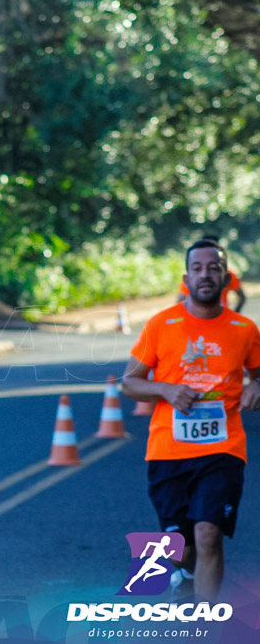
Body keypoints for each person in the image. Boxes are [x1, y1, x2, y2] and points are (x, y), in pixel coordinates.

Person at [122, 239, 260, 602]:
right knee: (180, 547)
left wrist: (255, 387)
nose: (205, 274)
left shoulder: (244, 329)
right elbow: (130, 382)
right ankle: (183, 577)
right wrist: (166, 391)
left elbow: (259, 374)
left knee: (208, 534)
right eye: (197, 268)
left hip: (222, 448)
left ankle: (204, 624)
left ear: (226, 277)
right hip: (168, 452)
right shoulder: (161, 325)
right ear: (186, 278)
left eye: (213, 268)